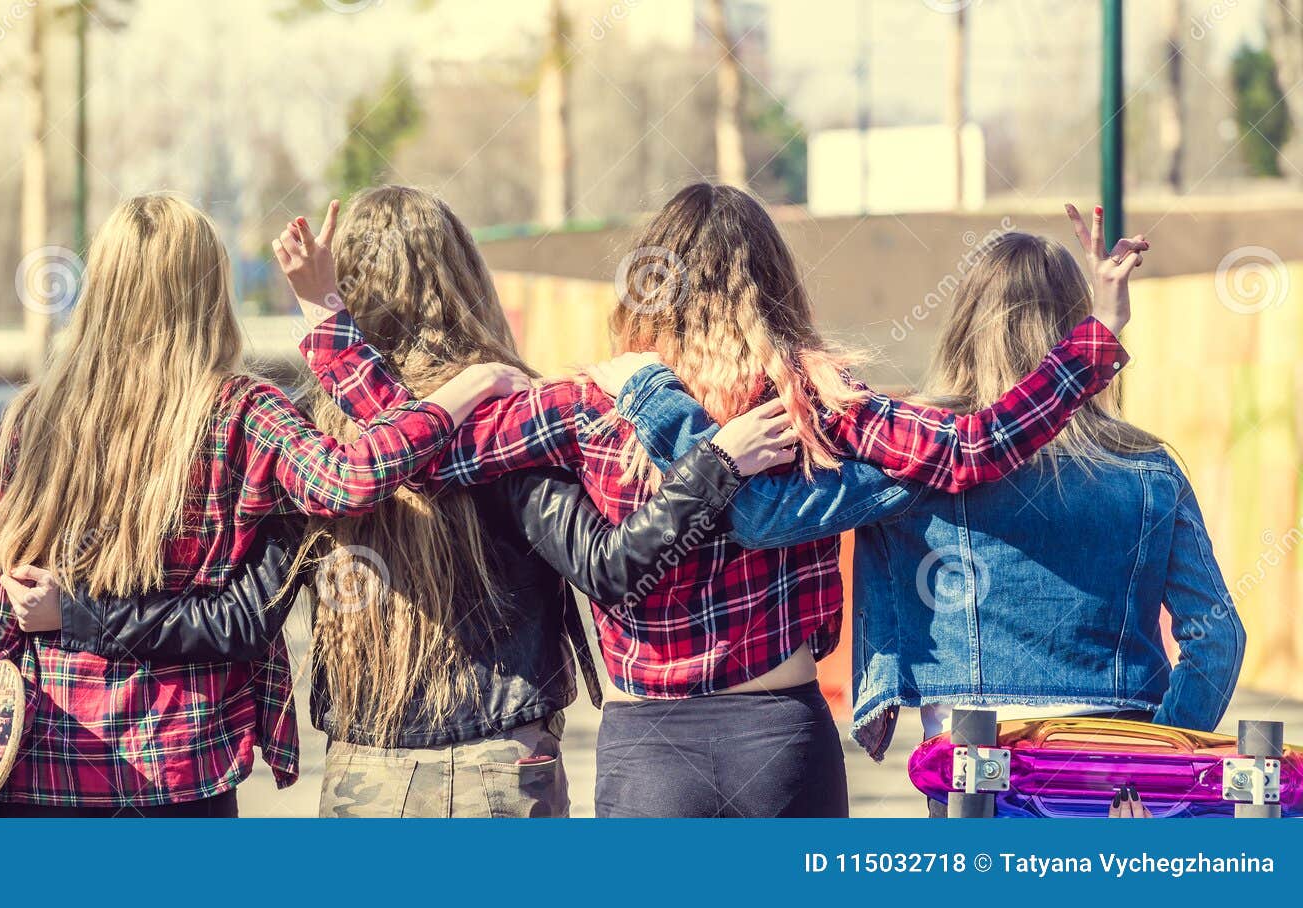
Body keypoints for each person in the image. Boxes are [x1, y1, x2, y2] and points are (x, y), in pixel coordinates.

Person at [284, 183, 1136, 817]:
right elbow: (970, 449)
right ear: (774, 282)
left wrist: (330, 321)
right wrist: (1097, 334)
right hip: (784, 738)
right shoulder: (817, 397)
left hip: (649, 752)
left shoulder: (589, 403)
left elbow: (415, 449)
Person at [8, 186, 798, 817]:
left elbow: (242, 615)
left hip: (365, 774)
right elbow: (607, 564)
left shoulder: (310, 431)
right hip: (505, 760)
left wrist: (80, 614)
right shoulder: (514, 417)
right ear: (467, 280)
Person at [0, 193, 531, 818]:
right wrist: (468, 388)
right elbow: (351, 479)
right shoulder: (243, 410)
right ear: (209, 290)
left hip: (46, 766)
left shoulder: (35, 417)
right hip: (178, 769)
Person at [595, 213, 1243, 774]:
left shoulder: (914, 464)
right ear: (1072, 331)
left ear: (962, 329)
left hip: (976, 759)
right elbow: (1217, 640)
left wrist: (659, 405)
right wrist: (1159, 748)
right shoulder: (1149, 470)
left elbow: (763, 520)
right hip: (1119, 759)